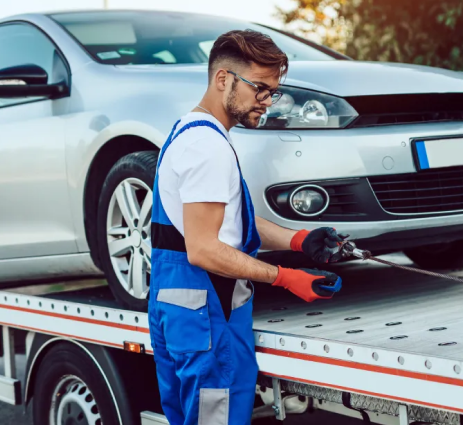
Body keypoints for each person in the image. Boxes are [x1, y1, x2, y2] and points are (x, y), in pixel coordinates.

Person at [148, 29, 346, 425]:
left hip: (183, 308)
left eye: (272, 91)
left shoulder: (188, 132)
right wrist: (284, 277)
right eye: (260, 89)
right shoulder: (208, 148)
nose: (267, 102)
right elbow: (203, 249)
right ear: (223, 79)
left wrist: (298, 239)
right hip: (209, 313)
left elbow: (221, 218)